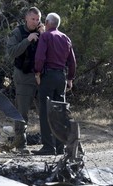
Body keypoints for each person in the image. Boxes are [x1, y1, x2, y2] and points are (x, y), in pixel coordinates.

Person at [32, 12, 76, 155]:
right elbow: (72, 62)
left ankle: (48, 147)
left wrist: (37, 73)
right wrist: (70, 78)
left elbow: (39, 57)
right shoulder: (65, 38)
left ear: (47, 22)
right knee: (60, 112)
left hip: (48, 76)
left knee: (46, 111)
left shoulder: (45, 36)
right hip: (61, 77)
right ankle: (60, 146)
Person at [6, 7, 45, 153]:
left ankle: (50, 143)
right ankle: (21, 145)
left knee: (45, 110)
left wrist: (44, 35)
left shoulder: (43, 32)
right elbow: (11, 52)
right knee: (22, 112)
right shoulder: (18, 32)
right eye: (33, 19)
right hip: (24, 76)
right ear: (26, 19)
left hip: (41, 77)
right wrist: (27, 41)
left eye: (38, 19)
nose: (36, 22)